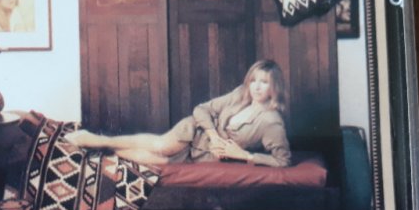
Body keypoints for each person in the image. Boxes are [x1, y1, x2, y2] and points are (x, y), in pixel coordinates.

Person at [65, 60, 291, 167]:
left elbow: (283, 160)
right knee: (161, 146)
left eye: (264, 82)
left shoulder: (272, 122)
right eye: (253, 80)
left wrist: (245, 156)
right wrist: (213, 135)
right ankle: (96, 140)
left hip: (206, 155)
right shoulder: (241, 93)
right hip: (195, 132)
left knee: (161, 161)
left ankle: (101, 153)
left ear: (275, 87)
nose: (256, 87)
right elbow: (201, 109)